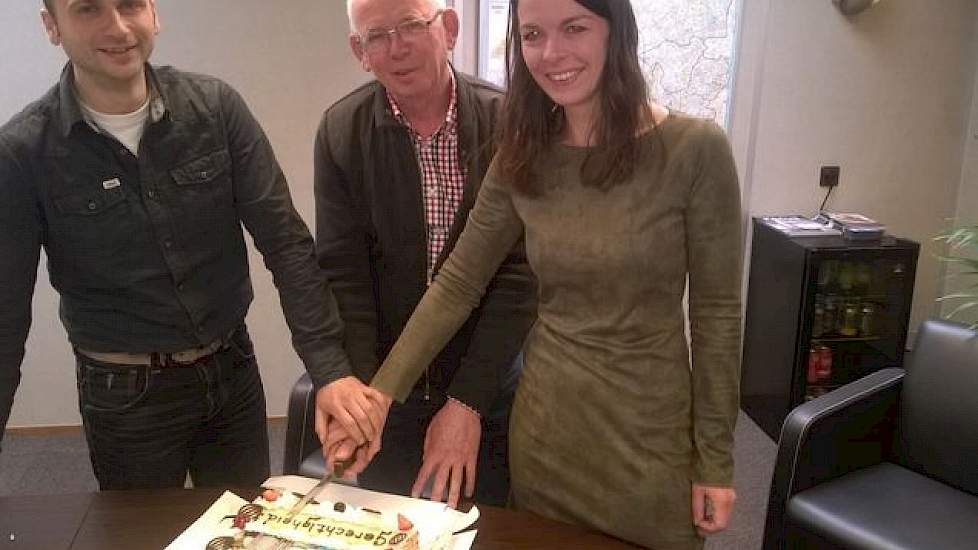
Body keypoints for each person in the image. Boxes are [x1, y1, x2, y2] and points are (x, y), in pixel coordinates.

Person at [331, 0, 744, 547]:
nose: (551, 54)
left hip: (651, 439)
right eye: (532, 34)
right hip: (546, 435)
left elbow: (717, 316)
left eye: (574, 28)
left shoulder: (695, 150)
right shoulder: (523, 152)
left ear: (614, 29)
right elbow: (458, 282)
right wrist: (380, 398)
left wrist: (714, 458)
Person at [0, 0, 384, 490]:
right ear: (52, 26)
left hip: (232, 373)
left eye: (129, 5)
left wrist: (329, 370)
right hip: (125, 398)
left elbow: (285, 242)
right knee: (141, 538)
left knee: (242, 529)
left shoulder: (216, 109)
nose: (117, 27)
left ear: (154, 13)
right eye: (89, 9)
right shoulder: (23, 152)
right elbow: (5, 319)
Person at [314, 0, 536, 508]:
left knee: (485, 526)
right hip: (390, 387)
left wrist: (467, 403)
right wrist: (371, 401)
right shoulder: (341, 132)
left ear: (450, 28)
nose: (397, 47)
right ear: (359, 51)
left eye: (412, 25)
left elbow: (519, 276)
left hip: (488, 381)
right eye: (376, 35)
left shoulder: (510, 124)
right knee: (391, 527)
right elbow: (346, 277)